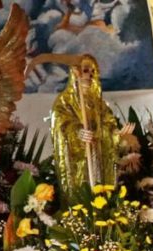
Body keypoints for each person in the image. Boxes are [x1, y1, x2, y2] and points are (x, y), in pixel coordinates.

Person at [50, 55, 131, 205]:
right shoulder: (64, 102)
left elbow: (108, 122)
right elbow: (61, 124)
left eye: (93, 72)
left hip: (97, 155)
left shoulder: (98, 102)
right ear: (75, 73)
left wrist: (115, 133)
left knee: (100, 192)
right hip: (79, 160)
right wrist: (77, 133)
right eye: (85, 70)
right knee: (82, 194)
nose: (89, 75)